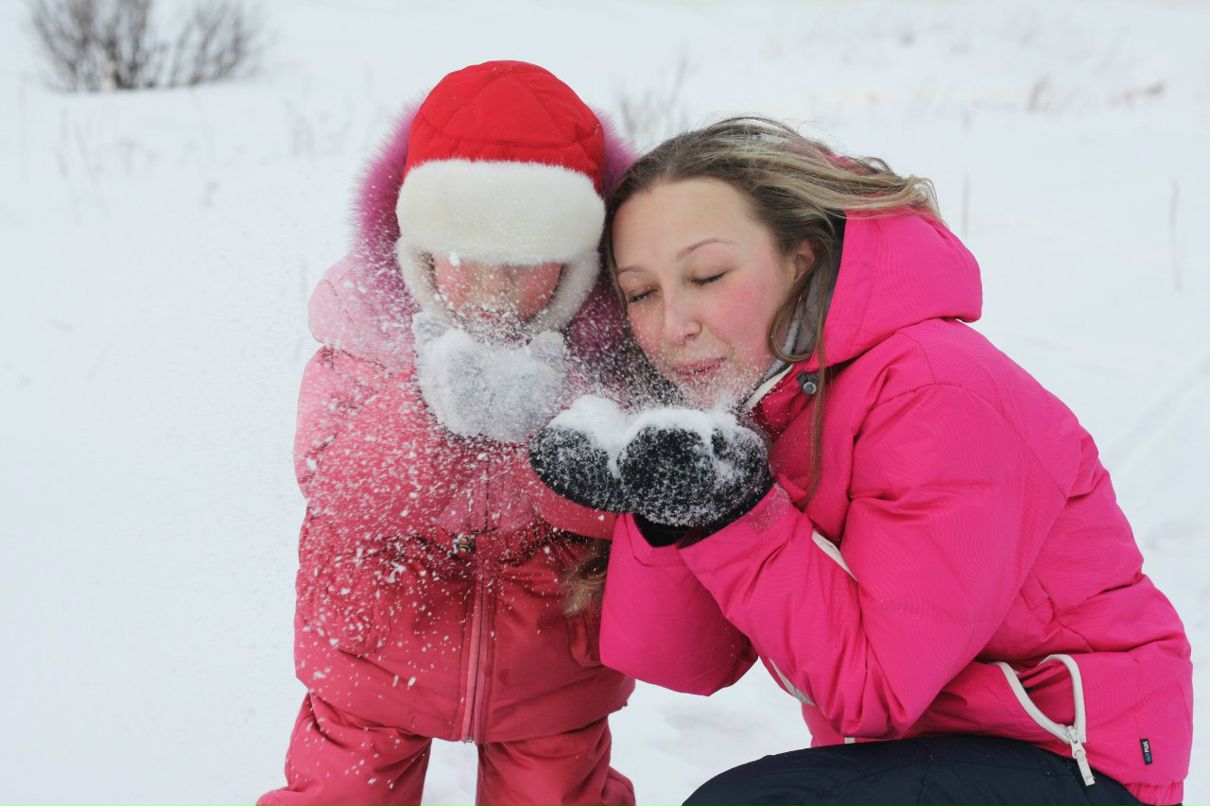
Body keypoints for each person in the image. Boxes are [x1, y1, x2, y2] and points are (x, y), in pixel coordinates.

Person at [528, 117, 1192, 805]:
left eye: (707, 275)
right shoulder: (765, 401)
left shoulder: (936, 390)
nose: (674, 325)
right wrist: (666, 510)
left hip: (1074, 758)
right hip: (925, 758)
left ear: (802, 260)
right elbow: (689, 663)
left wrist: (727, 512)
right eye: (643, 293)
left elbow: (876, 686)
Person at [259, 61, 637, 806]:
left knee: (557, 794)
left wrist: (545, 424)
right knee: (340, 792)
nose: (494, 284)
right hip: (376, 648)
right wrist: (431, 408)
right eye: (468, 255)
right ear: (418, 246)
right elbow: (339, 486)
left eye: (525, 261)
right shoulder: (367, 330)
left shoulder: (606, 354)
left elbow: (618, 511)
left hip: (550, 664)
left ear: (575, 262)